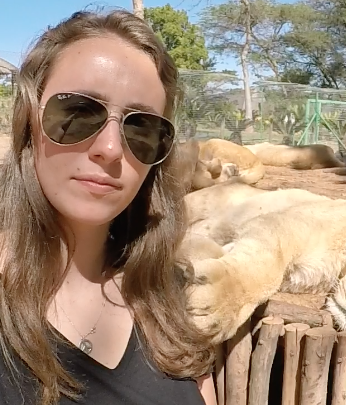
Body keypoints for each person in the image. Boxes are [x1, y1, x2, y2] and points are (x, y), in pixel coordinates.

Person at [0, 8, 217, 405]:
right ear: (29, 118)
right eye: (79, 112)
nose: (111, 149)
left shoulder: (166, 295)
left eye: (142, 128)